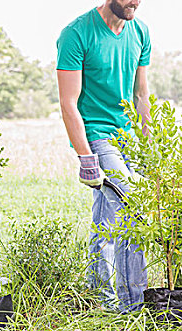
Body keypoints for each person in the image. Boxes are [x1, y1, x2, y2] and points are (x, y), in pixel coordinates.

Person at [56, 0, 150, 313]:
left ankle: (97, 295)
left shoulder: (140, 32)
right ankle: (132, 304)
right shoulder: (76, 34)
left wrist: (147, 149)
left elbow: (141, 95)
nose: (135, 1)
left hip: (129, 135)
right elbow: (69, 103)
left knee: (108, 217)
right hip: (97, 134)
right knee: (130, 203)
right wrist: (86, 157)